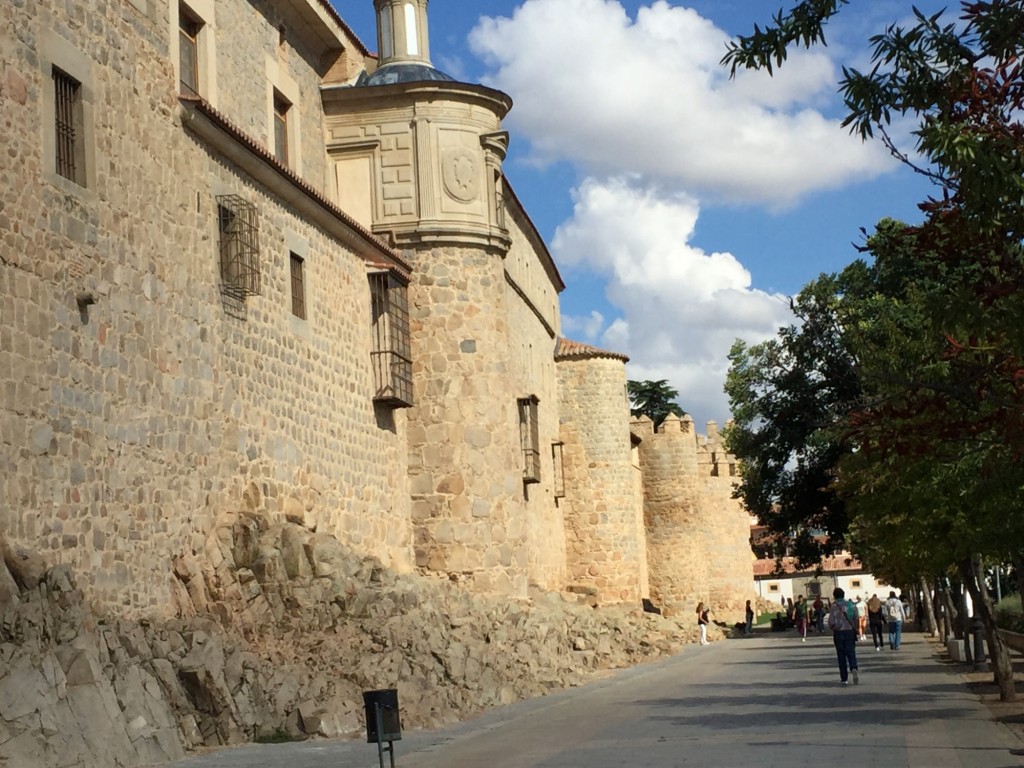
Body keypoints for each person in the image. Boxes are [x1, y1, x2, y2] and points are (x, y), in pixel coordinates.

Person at [827, 587, 859, 685]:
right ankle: (853, 668)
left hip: (839, 633)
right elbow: (856, 617)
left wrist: (833, 627)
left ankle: (844, 678)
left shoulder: (834, 607)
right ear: (844, 595)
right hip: (849, 631)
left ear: (834, 596)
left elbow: (831, 622)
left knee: (841, 655)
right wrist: (855, 627)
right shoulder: (851, 605)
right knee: (851, 652)